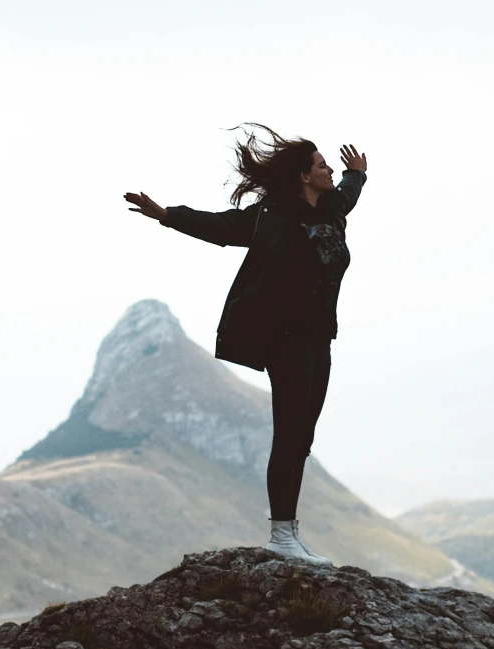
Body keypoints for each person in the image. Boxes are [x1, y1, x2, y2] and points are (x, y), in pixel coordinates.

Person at [125, 128, 368, 563]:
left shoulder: (332, 211)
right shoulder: (271, 218)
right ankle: (280, 536)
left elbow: (348, 195)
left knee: (304, 435)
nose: (328, 168)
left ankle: (289, 531)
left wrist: (356, 175)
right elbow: (220, 226)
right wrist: (166, 214)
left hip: (319, 337)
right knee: (291, 432)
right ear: (302, 177)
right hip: (285, 340)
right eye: (321, 165)